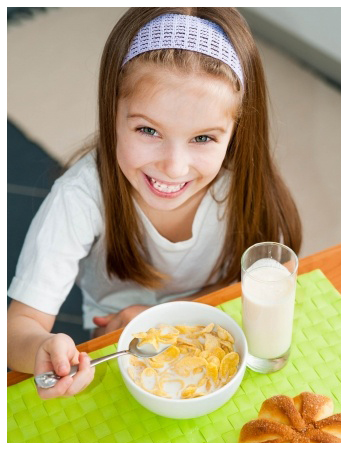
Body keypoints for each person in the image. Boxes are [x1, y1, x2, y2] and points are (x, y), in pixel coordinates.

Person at [7, 7, 302, 398]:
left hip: (212, 334)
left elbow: (263, 288)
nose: (173, 167)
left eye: (203, 139)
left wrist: (165, 322)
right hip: (117, 342)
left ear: (236, 131)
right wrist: (41, 350)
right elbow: (17, 329)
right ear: (112, 112)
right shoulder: (79, 198)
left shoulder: (243, 186)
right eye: (148, 130)